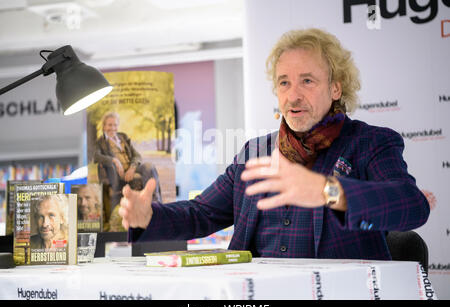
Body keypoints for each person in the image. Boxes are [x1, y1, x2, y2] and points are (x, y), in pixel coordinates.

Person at [118, 28, 430, 260]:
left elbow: (411, 206)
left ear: (336, 88)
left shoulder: (370, 142)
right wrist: (149, 217)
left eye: (307, 81)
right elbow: (201, 213)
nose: (293, 95)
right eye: (284, 82)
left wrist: (327, 191)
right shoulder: (255, 153)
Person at [94, 111, 162, 206]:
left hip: (131, 168)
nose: (113, 128)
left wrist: (132, 168)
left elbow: (137, 155)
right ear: (104, 126)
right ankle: (153, 202)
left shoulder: (123, 137)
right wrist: (115, 160)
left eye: (115, 125)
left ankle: (154, 201)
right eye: (110, 125)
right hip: (117, 172)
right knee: (149, 170)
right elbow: (96, 157)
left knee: (149, 166)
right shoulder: (101, 141)